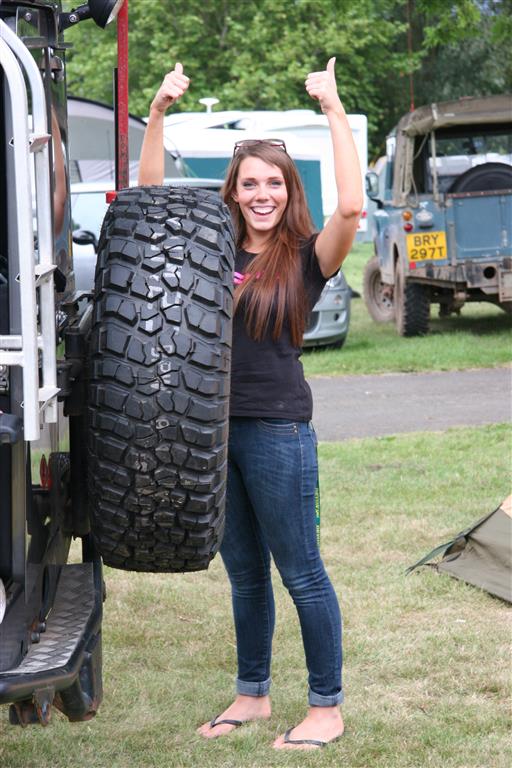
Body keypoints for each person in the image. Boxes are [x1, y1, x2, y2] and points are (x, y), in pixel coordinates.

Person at [139, 58, 362, 750]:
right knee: (244, 574)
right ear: (232, 192)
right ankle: (252, 694)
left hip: (277, 432)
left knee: (302, 573)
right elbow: (150, 199)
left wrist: (332, 109)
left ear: (288, 190)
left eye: (273, 183)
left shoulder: (307, 256)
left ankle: (326, 708)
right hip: (210, 433)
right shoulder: (208, 250)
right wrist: (157, 113)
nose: (261, 194)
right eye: (249, 183)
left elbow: (351, 208)